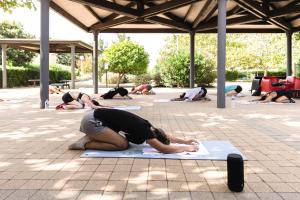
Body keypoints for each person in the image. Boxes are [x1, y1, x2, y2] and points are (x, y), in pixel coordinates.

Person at [68, 108, 199, 153]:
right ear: (153, 138)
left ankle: (93, 137)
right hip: (92, 121)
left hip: (95, 116)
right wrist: (187, 149)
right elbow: (163, 149)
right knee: (122, 144)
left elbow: (166, 135)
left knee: (124, 142)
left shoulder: (150, 127)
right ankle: (84, 144)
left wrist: (185, 141)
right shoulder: (146, 131)